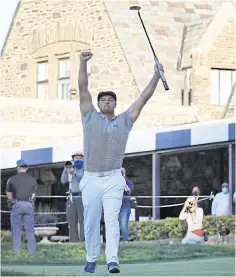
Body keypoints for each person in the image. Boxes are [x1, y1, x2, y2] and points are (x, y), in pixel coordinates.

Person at [78, 51, 164, 274]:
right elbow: (83, 89)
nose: (107, 101)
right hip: (91, 178)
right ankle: (91, 258)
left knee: (113, 221)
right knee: (91, 222)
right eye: (103, 100)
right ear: (97, 104)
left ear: (116, 103)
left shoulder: (125, 120)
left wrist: (156, 76)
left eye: (110, 99)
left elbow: (143, 99)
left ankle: (112, 261)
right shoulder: (89, 116)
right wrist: (81, 63)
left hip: (114, 177)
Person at [6, 159, 37, 254]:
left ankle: (17, 252)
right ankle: (32, 252)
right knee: (30, 229)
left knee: (16, 229)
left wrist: (12, 202)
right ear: (26, 168)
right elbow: (33, 195)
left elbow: (9, 194)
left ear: (18, 168)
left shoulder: (11, 179)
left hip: (17, 204)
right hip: (28, 204)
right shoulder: (33, 179)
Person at [61, 152, 85, 242]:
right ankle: (73, 241)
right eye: (75, 158)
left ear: (83, 159)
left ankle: (83, 240)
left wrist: (74, 173)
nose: (77, 159)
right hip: (71, 196)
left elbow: (83, 179)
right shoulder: (70, 167)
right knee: (71, 219)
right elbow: (63, 181)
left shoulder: (85, 167)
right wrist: (66, 169)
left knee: (83, 219)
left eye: (79, 157)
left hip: (81, 196)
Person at [119, 167, 134, 243]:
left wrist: (122, 182)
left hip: (125, 206)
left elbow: (129, 191)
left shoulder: (128, 182)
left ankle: (125, 240)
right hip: (115, 206)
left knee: (123, 223)